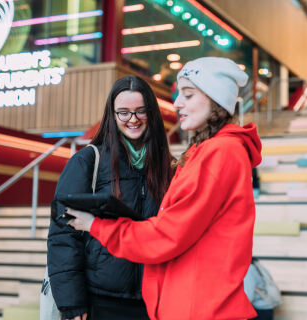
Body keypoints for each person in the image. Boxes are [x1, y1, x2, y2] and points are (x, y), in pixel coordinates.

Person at [67, 57, 262, 320]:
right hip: (191, 304)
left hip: (201, 308)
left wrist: (97, 226)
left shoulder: (219, 152)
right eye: (178, 94)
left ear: (216, 101)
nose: (178, 103)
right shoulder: (203, 151)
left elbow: (166, 235)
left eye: (188, 95)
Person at [47, 75, 174, 320]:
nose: (133, 119)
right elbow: (63, 235)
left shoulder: (167, 167)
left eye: (140, 111)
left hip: (156, 300)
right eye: (124, 113)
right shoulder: (88, 161)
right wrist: (72, 302)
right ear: (112, 116)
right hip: (101, 299)